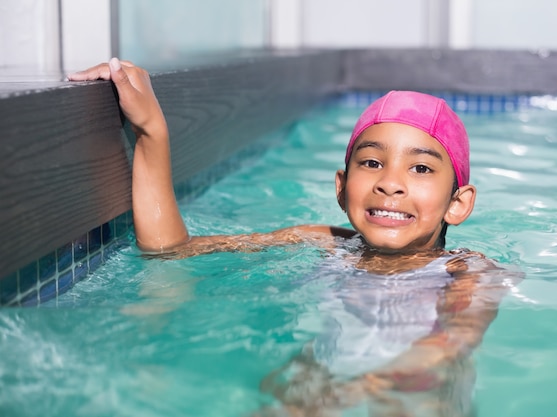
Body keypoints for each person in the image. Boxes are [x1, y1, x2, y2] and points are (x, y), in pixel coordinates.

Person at [69, 58, 521, 416]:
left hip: (418, 389)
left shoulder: (466, 273)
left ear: (457, 203)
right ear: (342, 189)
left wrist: (365, 383)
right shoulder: (323, 241)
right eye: (371, 162)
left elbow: (452, 341)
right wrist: (152, 132)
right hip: (324, 379)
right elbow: (170, 252)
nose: (390, 182)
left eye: (420, 168)